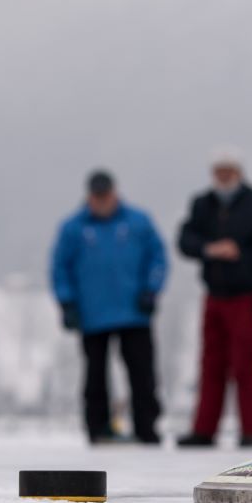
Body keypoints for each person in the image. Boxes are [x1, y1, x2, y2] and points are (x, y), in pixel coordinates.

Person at [176, 148, 252, 447]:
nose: (223, 177)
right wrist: (209, 248)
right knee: (211, 363)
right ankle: (204, 430)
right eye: (219, 172)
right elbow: (185, 240)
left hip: (249, 296)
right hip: (215, 295)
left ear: (239, 172)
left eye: (228, 171)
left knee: (245, 364)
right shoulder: (203, 205)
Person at [50, 170, 167, 444]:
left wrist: (151, 291)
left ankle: (146, 428)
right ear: (89, 196)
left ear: (115, 193)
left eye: (106, 196)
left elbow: (158, 258)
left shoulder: (139, 221)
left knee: (142, 374)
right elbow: (59, 268)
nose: (102, 201)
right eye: (97, 197)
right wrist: (66, 302)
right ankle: (97, 428)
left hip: (134, 313)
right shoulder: (73, 228)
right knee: (95, 375)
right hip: (92, 315)